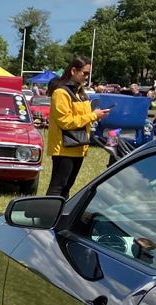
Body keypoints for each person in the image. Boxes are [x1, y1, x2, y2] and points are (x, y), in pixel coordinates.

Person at [47, 56, 110, 198]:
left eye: (89, 74)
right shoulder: (61, 92)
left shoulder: (80, 92)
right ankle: (47, 217)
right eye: (85, 73)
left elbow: (82, 117)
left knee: (67, 188)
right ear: (73, 70)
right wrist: (93, 116)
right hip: (63, 147)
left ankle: (60, 217)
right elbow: (65, 121)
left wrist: (97, 115)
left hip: (79, 146)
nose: (87, 77)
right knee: (58, 187)